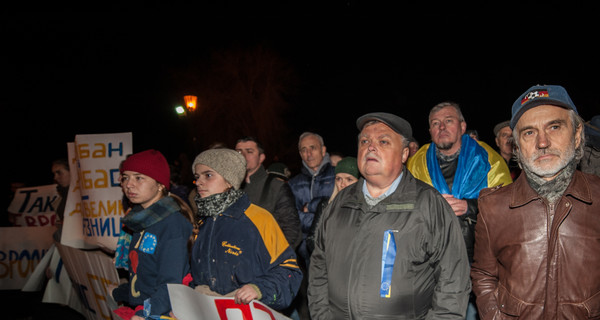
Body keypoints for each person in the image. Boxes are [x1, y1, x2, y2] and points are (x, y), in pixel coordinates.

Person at [308, 112, 471, 319]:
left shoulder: (429, 205)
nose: (370, 147)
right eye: (365, 141)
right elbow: (318, 268)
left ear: (404, 154)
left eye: (383, 141)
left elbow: (453, 283)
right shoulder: (340, 204)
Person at [471, 84, 600, 319]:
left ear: (578, 133)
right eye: (529, 132)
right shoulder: (493, 206)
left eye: (554, 127)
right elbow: (483, 275)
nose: (542, 142)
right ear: (517, 145)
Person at [406, 101, 512, 319]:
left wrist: (469, 206)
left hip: (479, 261)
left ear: (462, 127)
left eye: (448, 121)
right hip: (431, 263)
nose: (441, 127)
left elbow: (508, 205)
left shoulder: (488, 158)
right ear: (430, 131)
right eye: (435, 123)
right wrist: (430, 207)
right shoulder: (417, 163)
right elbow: (405, 207)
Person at [189, 148, 302, 311]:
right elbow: (197, 277)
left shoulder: (259, 219)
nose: (199, 182)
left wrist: (260, 289)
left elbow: (289, 271)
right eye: (197, 177)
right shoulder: (203, 223)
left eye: (208, 175)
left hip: (248, 311)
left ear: (229, 180)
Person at [111, 149, 195, 320]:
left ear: (160, 184)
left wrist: (145, 313)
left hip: (160, 313)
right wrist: (119, 293)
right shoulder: (140, 221)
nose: (129, 184)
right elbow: (145, 277)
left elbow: (171, 286)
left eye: (138, 177)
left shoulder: (172, 225)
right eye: (125, 177)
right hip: (145, 308)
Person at [235, 136, 302, 249]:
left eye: (249, 151)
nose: (243, 156)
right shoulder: (230, 188)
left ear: (261, 158)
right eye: (239, 151)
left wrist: (271, 258)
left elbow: (291, 231)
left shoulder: (276, 187)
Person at [288, 132, 335, 267]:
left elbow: (337, 210)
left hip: (335, 246)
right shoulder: (293, 184)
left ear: (323, 150)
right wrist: (320, 217)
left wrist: (311, 207)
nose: (308, 154)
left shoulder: (338, 176)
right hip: (307, 254)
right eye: (304, 150)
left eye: (312, 148)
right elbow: (293, 217)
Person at [306, 156, 360, 256]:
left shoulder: (365, 208)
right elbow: (311, 239)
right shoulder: (325, 205)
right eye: (339, 179)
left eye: (349, 179)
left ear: (359, 181)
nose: (343, 184)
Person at [50, 158, 71, 241]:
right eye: (54, 174)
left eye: (59, 173)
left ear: (72, 171)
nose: (55, 177)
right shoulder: (62, 195)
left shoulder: (84, 195)